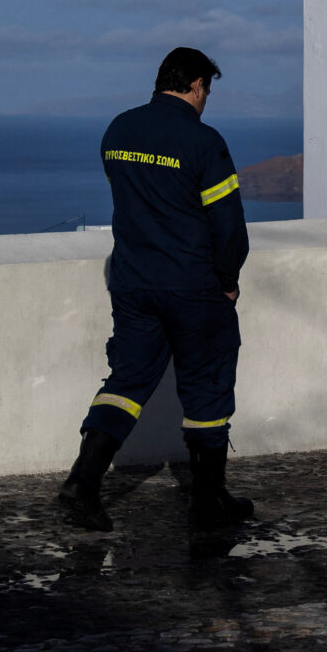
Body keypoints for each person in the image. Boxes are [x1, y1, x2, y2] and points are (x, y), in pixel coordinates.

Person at [56, 47, 256, 532]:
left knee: (126, 383)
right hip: (192, 287)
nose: (206, 97)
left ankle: (82, 484)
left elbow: (132, 198)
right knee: (206, 389)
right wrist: (227, 283)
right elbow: (228, 227)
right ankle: (207, 502)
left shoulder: (118, 130)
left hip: (133, 283)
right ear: (197, 85)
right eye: (207, 89)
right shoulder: (204, 142)